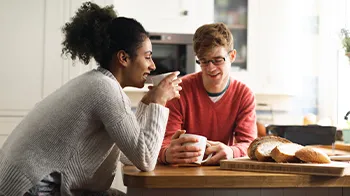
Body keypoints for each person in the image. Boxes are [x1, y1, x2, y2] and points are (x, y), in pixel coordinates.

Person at [0, 2, 182, 196]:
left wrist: (147, 103)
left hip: (17, 184)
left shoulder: (97, 83)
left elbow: (130, 153)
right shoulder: (105, 89)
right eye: (147, 57)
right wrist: (158, 102)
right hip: (29, 189)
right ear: (123, 58)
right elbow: (145, 160)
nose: (153, 66)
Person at [158, 23, 257, 165]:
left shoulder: (243, 94)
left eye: (217, 60)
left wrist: (231, 151)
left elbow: (249, 144)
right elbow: (164, 142)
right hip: (182, 172)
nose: (210, 68)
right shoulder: (179, 90)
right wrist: (167, 154)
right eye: (203, 61)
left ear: (232, 56)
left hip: (223, 172)